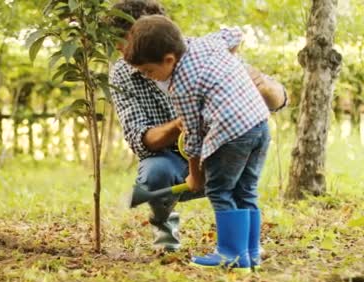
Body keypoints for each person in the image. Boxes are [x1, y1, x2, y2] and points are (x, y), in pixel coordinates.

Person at [109, 0, 287, 255]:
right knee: (159, 175)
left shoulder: (188, 73)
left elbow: (194, 135)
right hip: (239, 135)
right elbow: (139, 137)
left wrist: (248, 78)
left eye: (134, 41)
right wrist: (176, 127)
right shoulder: (126, 72)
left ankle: (232, 253)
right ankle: (248, 252)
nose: (127, 54)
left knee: (223, 191)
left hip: (223, 143)